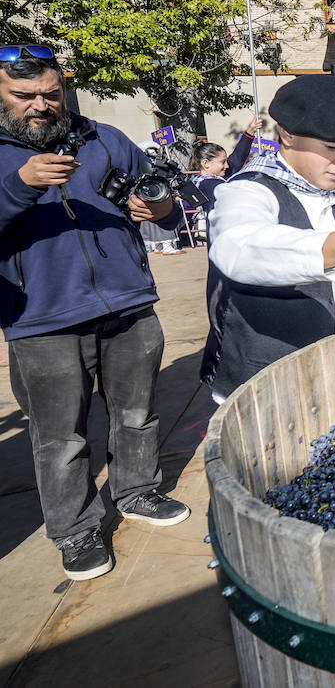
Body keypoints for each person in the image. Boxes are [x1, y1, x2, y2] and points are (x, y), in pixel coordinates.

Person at [0, 45, 194, 580]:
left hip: (128, 302)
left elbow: (161, 196)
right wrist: (20, 185)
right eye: (23, 96)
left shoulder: (103, 138)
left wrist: (159, 208)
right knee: (60, 436)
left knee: (137, 412)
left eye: (50, 93)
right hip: (42, 317)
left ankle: (138, 491)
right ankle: (76, 529)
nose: (40, 104)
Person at [200, 74, 335, 403]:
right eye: (332, 148)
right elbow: (239, 247)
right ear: (287, 135)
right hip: (275, 387)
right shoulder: (245, 190)